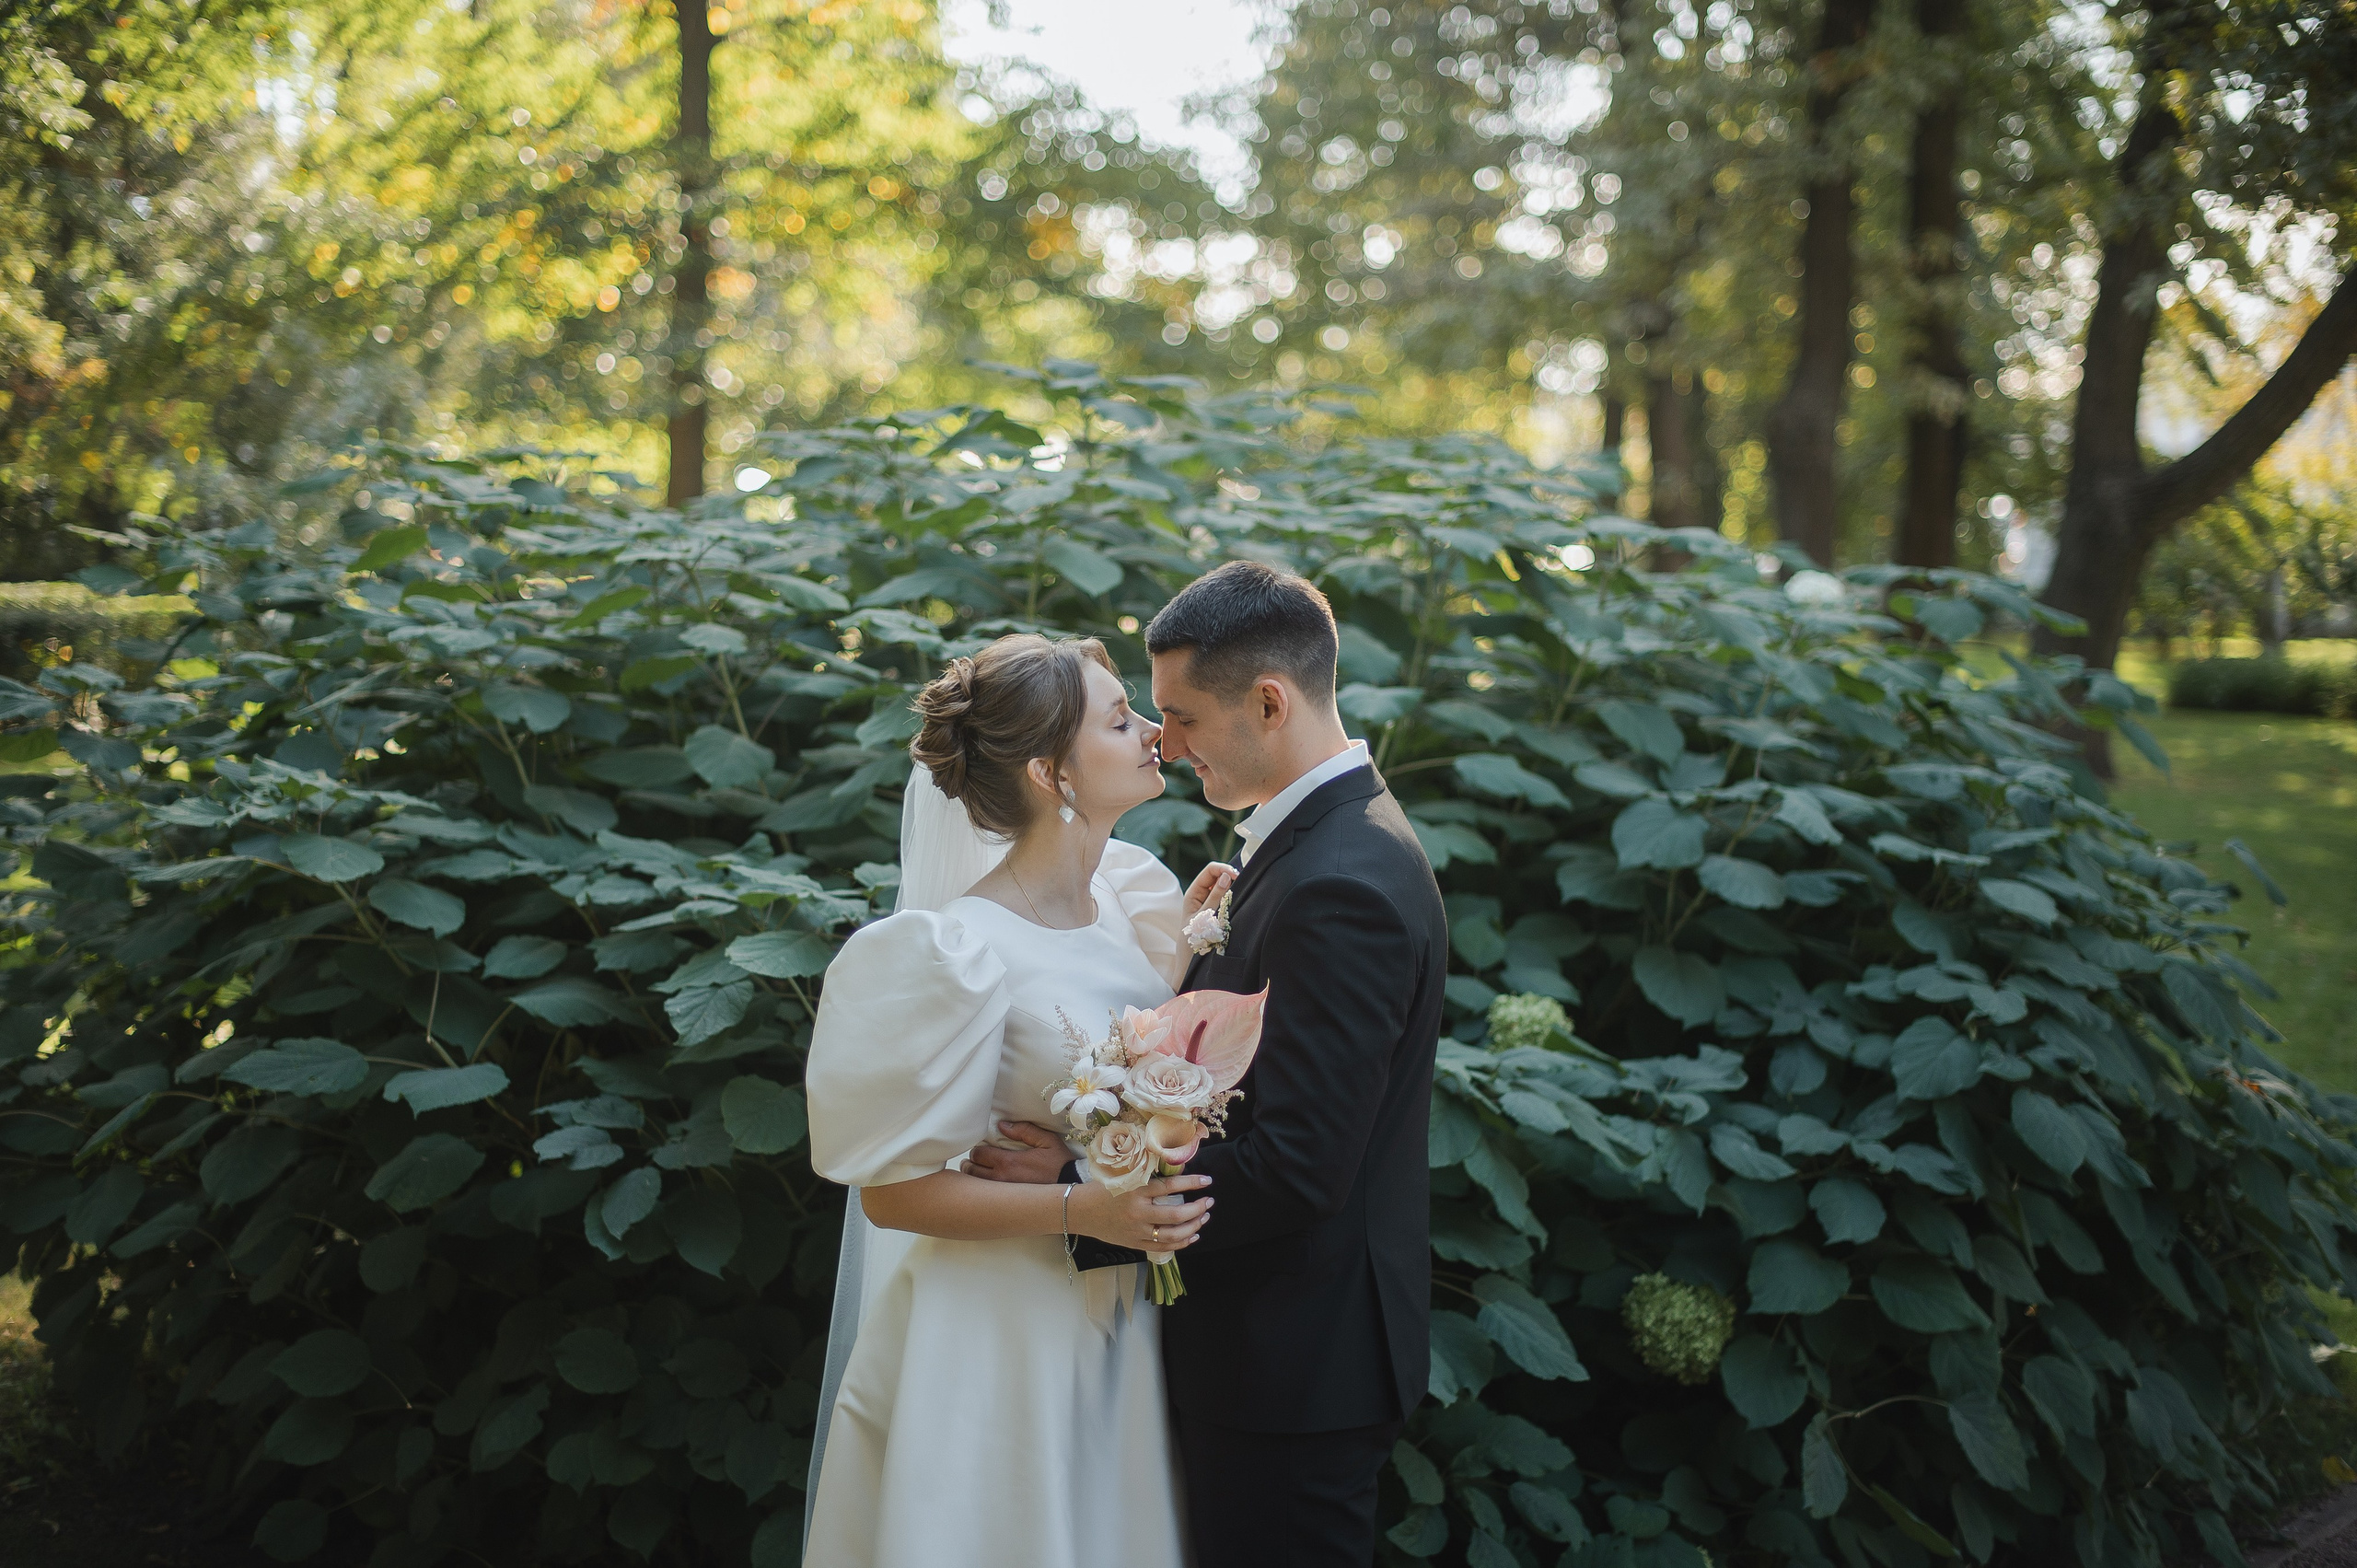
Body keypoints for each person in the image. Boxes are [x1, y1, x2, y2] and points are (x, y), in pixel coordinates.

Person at [969, 561, 1449, 1568]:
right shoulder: (1310, 847)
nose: (1165, 741)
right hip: (1267, 1349)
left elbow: (1297, 1161)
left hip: (1293, 1366)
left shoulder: (1341, 880)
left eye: (1182, 716)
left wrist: (1076, 1189)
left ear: (1269, 701)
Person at [797, 633, 1235, 1568]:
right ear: (1050, 770)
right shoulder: (950, 950)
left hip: (1113, 1320)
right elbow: (893, 1194)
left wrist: (1181, 973)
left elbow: (1094, 1047)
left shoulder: (1130, 897)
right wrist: (1087, 1205)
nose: (1155, 732)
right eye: (1121, 720)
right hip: (997, 1335)